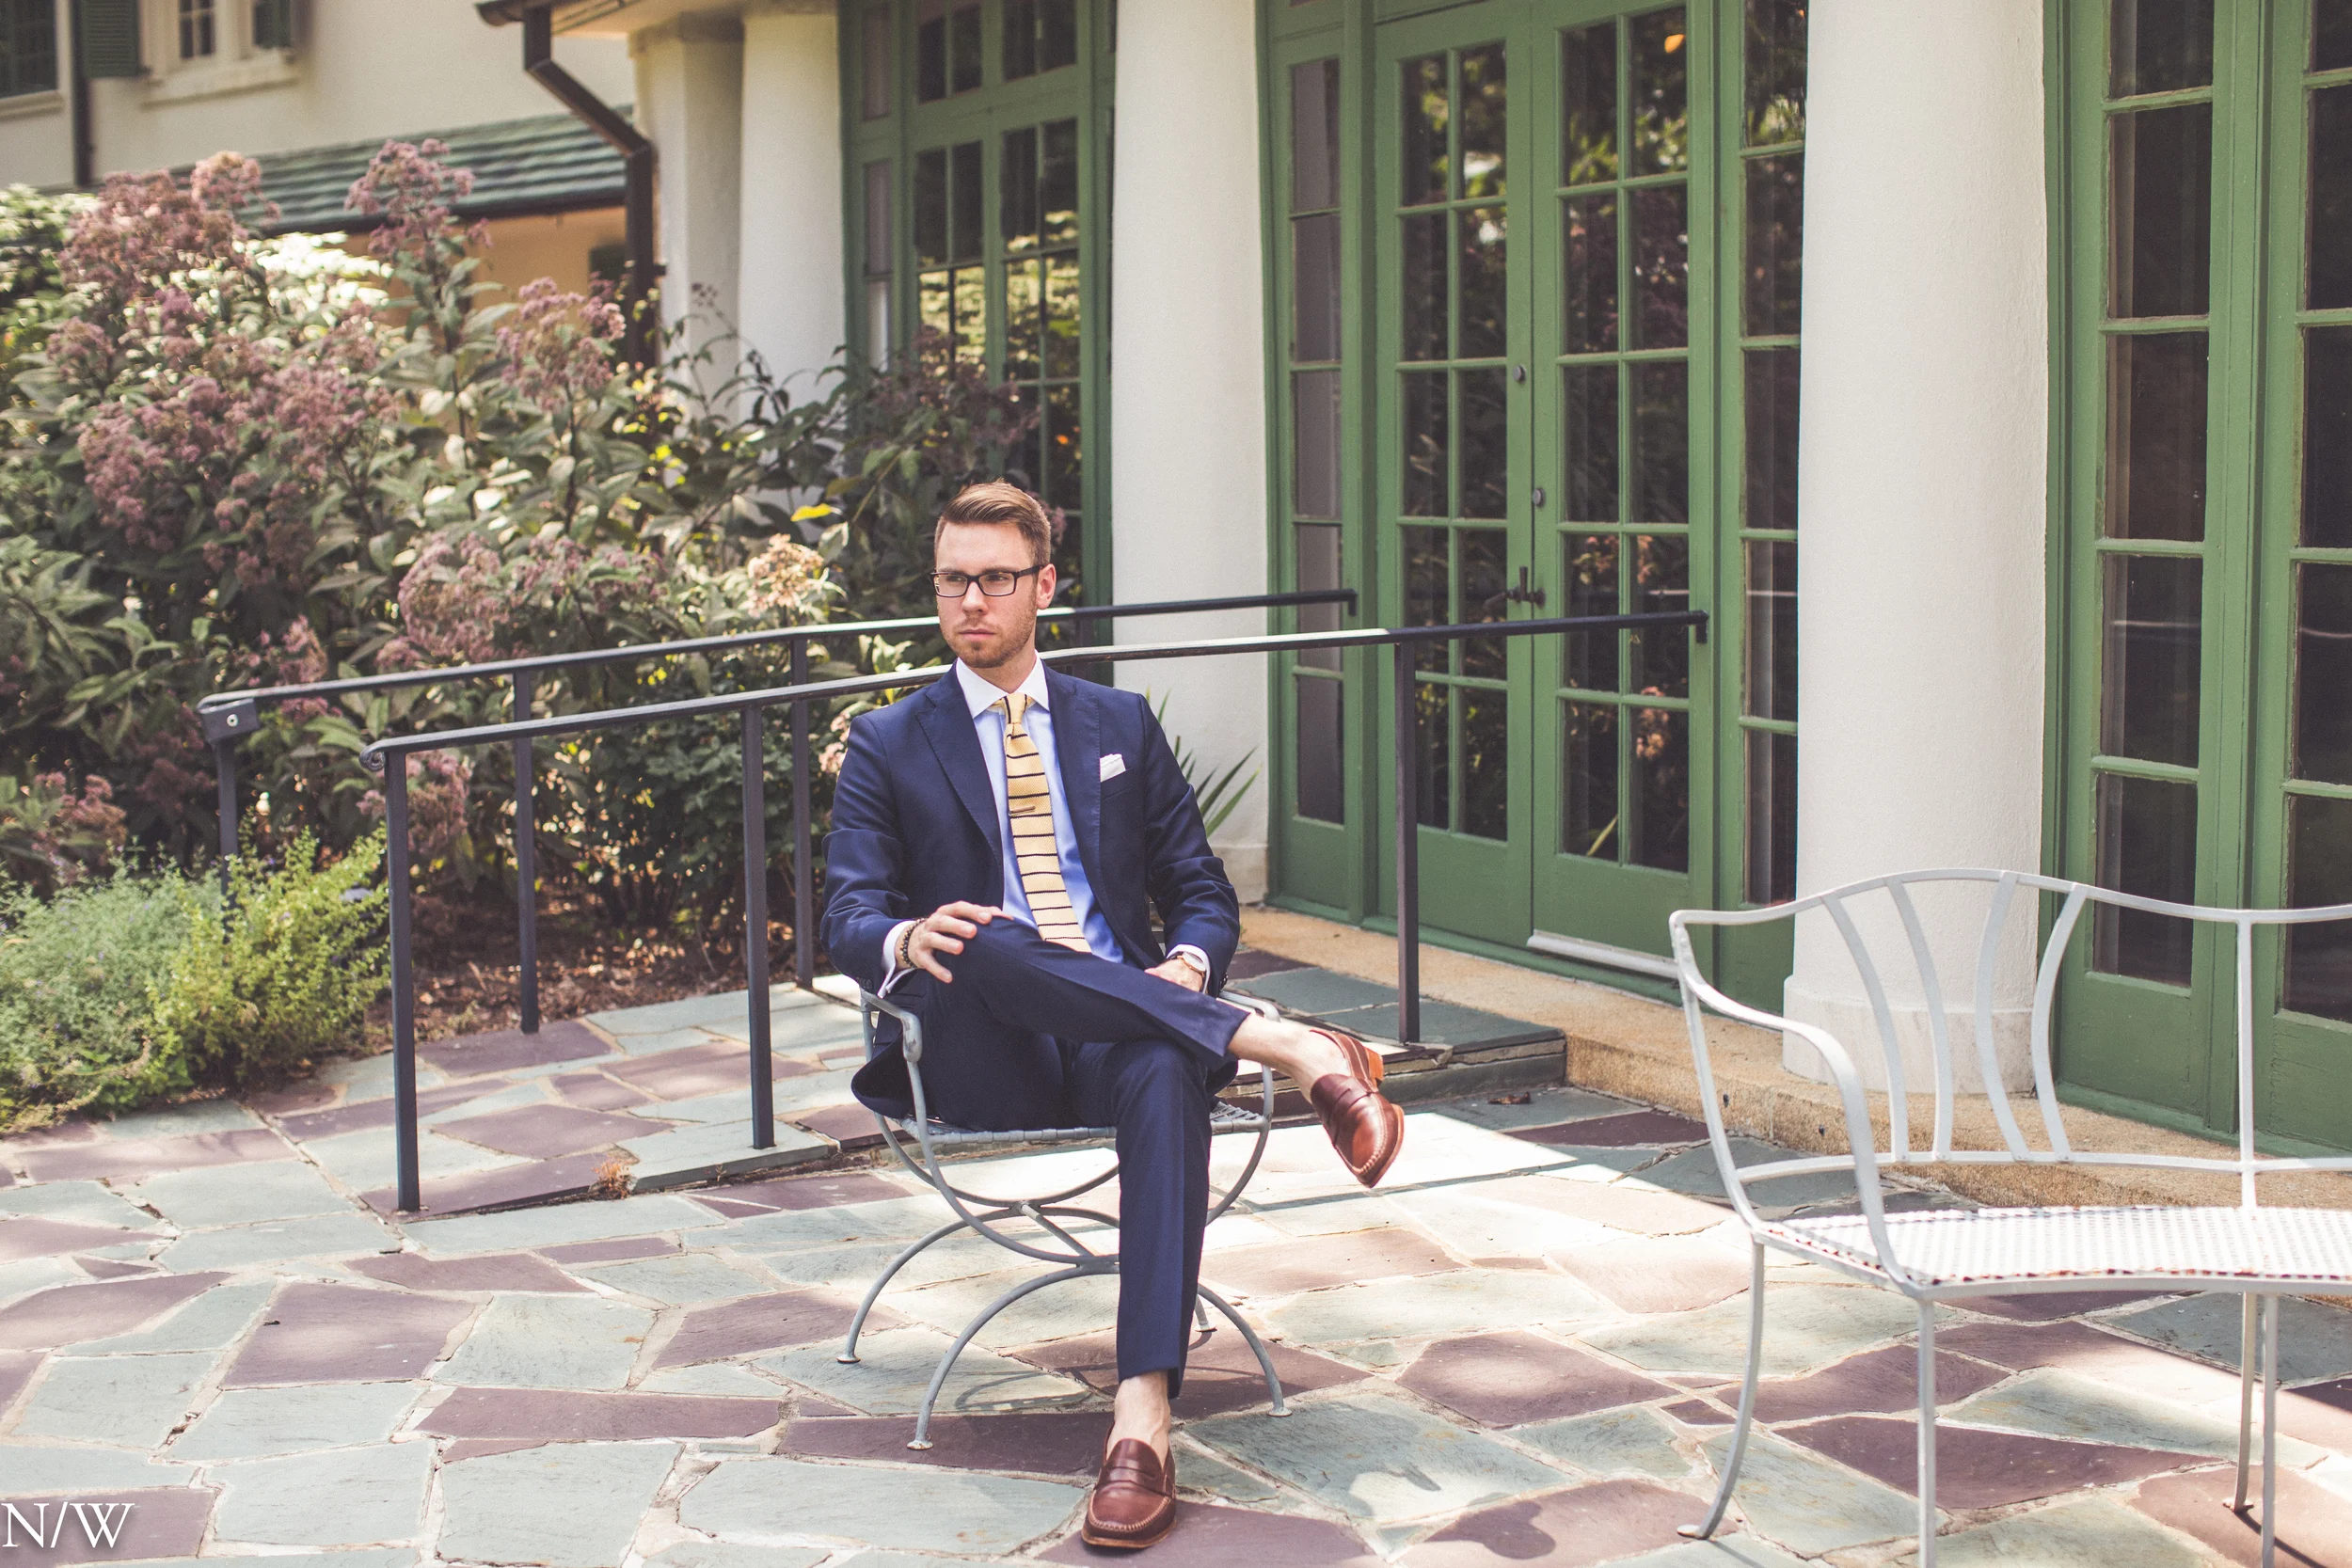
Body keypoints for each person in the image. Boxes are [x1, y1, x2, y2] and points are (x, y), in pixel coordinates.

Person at [822, 481, 1404, 1551]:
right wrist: (906, 938)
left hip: (1120, 1029)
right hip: (981, 1049)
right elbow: (847, 913)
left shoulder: (1118, 722)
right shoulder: (889, 740)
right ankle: (1283, 1040)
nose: (971, 600)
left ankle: (1141, 1418)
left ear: (1044, 585)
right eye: (953, 579)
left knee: (1159, 1059)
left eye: (996, 577)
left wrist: (1188, 959)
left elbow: (1199, 889)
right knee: (984, 934)